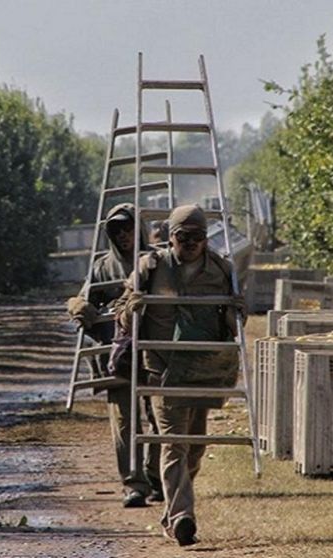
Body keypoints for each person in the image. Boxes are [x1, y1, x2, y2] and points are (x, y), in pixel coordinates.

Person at [113, 204, 244, 546]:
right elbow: (123, 318)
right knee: (174, 443)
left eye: (197, 236)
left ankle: (172, 512)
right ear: (170, 236)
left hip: (203, 369)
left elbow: (232, 324)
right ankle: (184, 516)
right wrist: (133, 307)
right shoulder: (150, 267)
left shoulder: (220, 269)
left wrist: (236, 313)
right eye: (182, 236)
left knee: (195, 447)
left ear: (206, 238)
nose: (190, 243)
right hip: (164, 370)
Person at [66, 203, 163, 508]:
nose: (123, 235)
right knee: (123, 421)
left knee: (160, 416)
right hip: (116, 355)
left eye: (129, 228)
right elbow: (85, 301)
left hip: (155, 352)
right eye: (116, 230)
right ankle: (133, 484)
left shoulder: (159, 261)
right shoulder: (102, 267)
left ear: (140, 227)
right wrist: (80, 308)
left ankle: (157, 477)